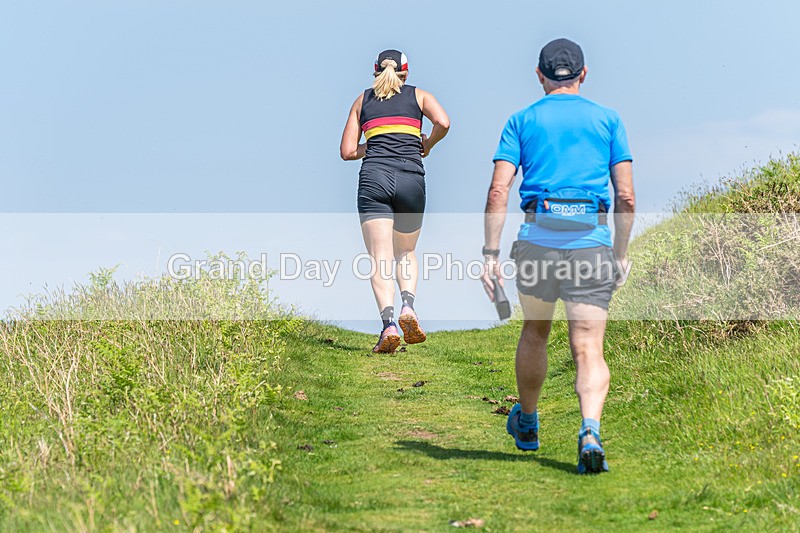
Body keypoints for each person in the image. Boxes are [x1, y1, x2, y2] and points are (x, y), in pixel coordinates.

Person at [481, 38, 635, 474]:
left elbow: (498, 190)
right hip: (590, 242)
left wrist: (490, 253)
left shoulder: (521, 120)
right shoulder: (608, 120)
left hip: (537, 241)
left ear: (539, 75)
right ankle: (590, 430)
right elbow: (625, 195)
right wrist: (619, 254)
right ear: (584, 74)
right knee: (588, 347)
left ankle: (527, 422)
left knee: (534, 331)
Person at [340, 49, 450, 353]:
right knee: (406, 252)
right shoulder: (419, 96)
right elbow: (443, 122)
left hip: (374, 178)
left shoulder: (362, 101)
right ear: (406, 72)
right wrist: (427, 142)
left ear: (375, 71)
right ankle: (408, 308)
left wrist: (374, 143)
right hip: (411, 179)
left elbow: (348, 151)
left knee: (379, 258)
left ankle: (389, 325)